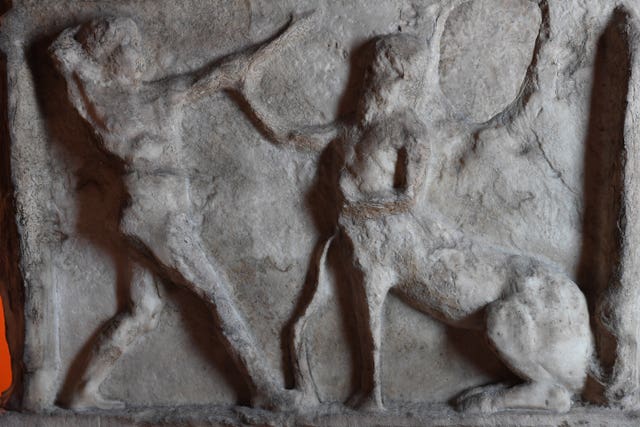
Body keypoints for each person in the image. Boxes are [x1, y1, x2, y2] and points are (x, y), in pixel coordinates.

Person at [242, 33, 593, 413]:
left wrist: (357, 207)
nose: (376, 81)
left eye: (388, 73)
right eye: (374, 70)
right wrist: (247, 93)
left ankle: (378, 392)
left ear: (404, 80)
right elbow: (288, 135)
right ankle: (369, 392)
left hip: (403, 239)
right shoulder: (348, 130)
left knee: (496, 317)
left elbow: (409, 197)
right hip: (372, 235)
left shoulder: (409, 131)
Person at [49, 14, 314, 411]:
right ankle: (263, 387)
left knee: (144, 311)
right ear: (107, 59)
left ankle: (80, 391)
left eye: (137, 47)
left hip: (145, 216)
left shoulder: (122, 97)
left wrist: (275, 42)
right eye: (128, 48)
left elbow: (215, 74)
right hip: (160, 220)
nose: (139, 57)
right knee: (217, 296)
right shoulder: (124, 102)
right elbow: (62, 53)